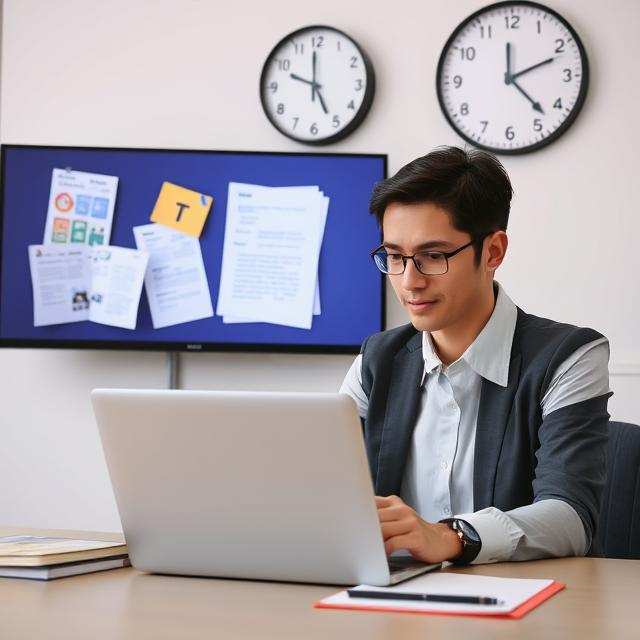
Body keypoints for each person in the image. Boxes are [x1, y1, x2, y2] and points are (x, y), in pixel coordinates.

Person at [340, 146, 611, 565]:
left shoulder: (570, 357)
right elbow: (328, 494)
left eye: (433, 256)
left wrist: (450, 537)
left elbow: (571, 516)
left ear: (493, 252)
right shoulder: (376, 361)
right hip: (394, 601)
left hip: (523, 606)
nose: (409, 282)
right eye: (394, 256)